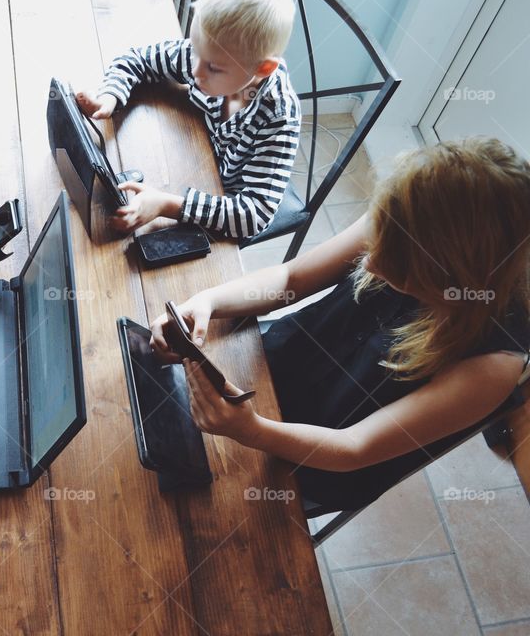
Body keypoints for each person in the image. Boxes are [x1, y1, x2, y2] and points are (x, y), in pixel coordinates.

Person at [150, 137, 530, 511]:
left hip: (318, 458)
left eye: (397, 267)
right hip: (273, 371)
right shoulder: (404, 219)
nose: (369, 264)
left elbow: (354, 448)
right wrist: (209, 301)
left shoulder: (493, 365)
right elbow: (291, 280)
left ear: (450, 278)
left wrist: (251, 430)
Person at [77, 0, 300, 238]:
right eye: (194, 50)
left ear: (263, 69)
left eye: (213, 68)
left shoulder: (279, 116)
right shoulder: (211, 53)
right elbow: (137, 59)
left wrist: (166, 205)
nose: (195, 71)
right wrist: (110, 95)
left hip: (224, 205)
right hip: (197, 158)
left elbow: (255, 215)